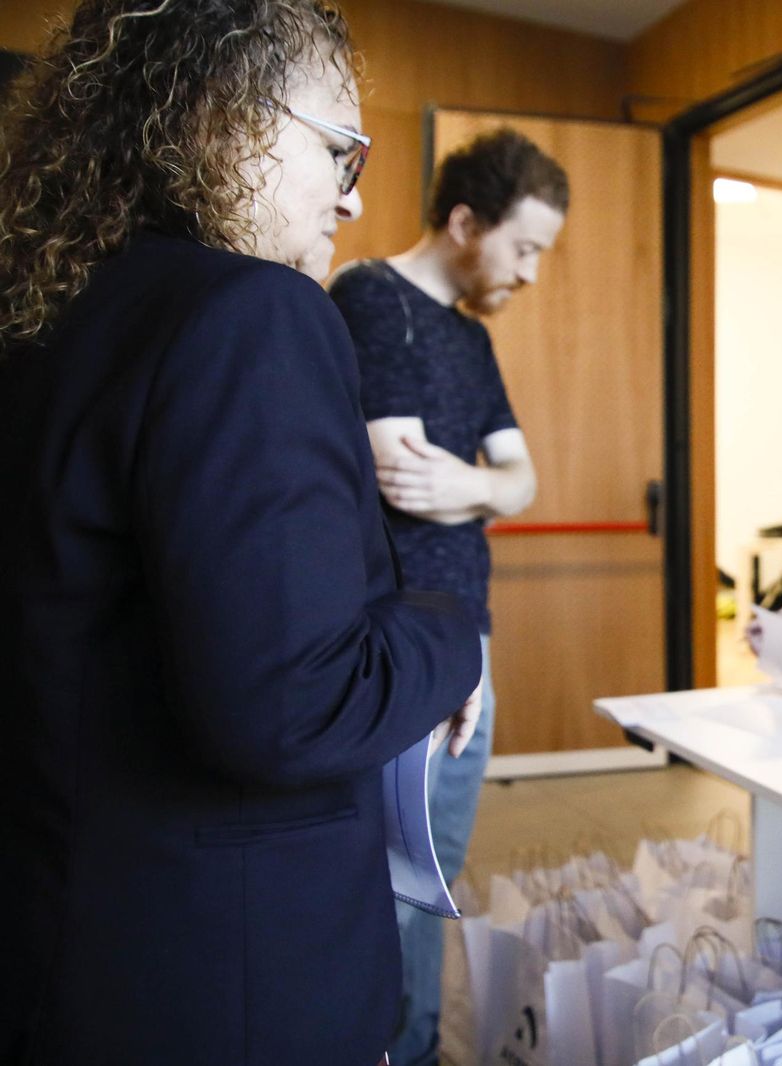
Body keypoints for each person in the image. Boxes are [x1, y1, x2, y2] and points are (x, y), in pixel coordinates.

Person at [0, 3, 484, 1063]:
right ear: (224, 117)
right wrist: (453, 638)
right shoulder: (247, 314)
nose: (351, 199)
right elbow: (291, 704)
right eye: (338, 150)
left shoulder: (52, 319)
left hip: (63, 950)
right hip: (225, 988)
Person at [327, 127, 564, 1065]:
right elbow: (400, 472)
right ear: (465, 221)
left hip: (472, 645)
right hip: (401, 643)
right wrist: (489, 487)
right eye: (525, 247)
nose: (533, 273)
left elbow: (520, 480)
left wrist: (477, 487)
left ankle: (416, 1044)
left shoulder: (471, 339)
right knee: (391, 881)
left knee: (434, 878)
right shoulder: (369, 298)